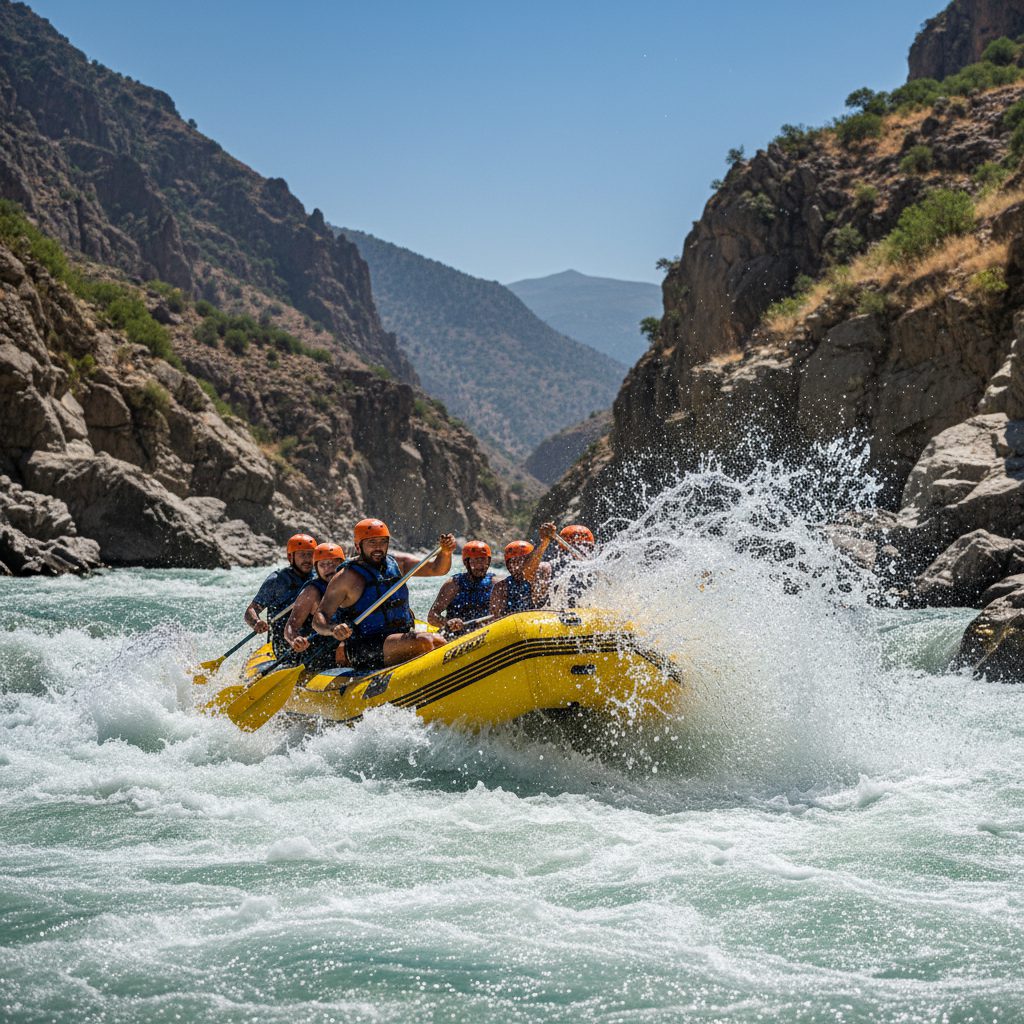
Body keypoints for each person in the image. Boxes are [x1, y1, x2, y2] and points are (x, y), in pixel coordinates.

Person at [313, 518, 456, 671]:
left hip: (400, 636)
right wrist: (333, 629)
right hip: (364, 646)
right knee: (425, 641)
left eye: (383, 542)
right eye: (372, 542)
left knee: (440, 639)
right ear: (358, 546)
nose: (378, 547)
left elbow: (437, 569)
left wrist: (446, 553)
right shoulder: (345, 577)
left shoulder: (398, 564)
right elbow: (319, 617)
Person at [244, 533, 317, 658]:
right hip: (283, 641)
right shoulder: (277, 580)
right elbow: (251, 610)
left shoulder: (319, 575)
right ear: (290, 557)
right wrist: (256, 622)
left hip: (313, 635)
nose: (307, 559)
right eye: (302, 555)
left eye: (310, 554)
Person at [283, 542, 346, 668]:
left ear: (342, 565)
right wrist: (295, 639)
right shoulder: (311, 592)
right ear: (316, 568)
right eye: (323, 565)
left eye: (333, 564)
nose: (329, 569)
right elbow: (291, 626)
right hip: (320, 650)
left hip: (348, 642)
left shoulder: (351, 582)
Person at [427, 540, 494, 635]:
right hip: (457, 636)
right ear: (466, 563)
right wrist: (447, 623)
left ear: (489, 561)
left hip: (486, 633)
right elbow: (432, 616)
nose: (480, 565)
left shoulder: (496, 583)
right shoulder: (453, 584)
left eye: (483, 559)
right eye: (474, 560)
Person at [489, 539, 551, 618]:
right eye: (514, 561)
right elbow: (495, 617)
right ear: (508, 565)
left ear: (531, 562)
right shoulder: (501, 587)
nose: (519, 565)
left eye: (523, 560)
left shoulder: (541, 575)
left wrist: (545, 541)